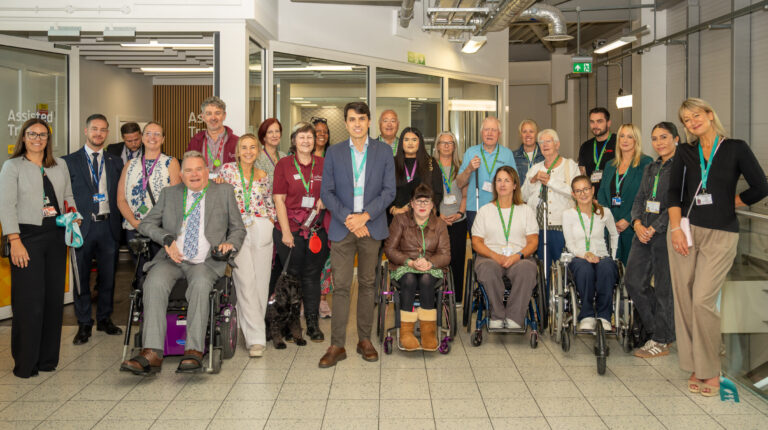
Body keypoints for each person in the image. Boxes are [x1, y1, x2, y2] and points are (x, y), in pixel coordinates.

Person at [667, 98, 768, 397]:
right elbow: (673, 192)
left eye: (696, 115)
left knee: (702, 300)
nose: (692, 122)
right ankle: (696, 364)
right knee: (685, 301)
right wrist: (675, 230)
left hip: (722, 234)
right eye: (686, 119)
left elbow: (761, 185)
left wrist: (733, 202)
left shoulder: (736, 148)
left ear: (710, 115)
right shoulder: (685, 151)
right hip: (686, 232)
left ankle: (711, 368)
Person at [120, 151, 246, 374]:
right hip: (172, 259)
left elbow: (238, 228)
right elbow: (146, 224)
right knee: (153, 283)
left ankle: (194, 351)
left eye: (199, 169)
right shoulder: (170, 194)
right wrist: (166, 239)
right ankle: (152, 353)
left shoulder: (223, 192)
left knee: (199, 285)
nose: (194, 174)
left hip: (205, 262)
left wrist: (229, 244)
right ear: (181, 174)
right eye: (188, 170)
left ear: (207, 171)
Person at [318, 101, 396, 368]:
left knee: (366, 284)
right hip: (343, 226)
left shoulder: (384, 151)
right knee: (340, 286)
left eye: (362, 119)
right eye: (352, 119)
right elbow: (326, 192)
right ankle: (337, 344)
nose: (357, 124)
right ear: (346, 122)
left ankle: (365, 340)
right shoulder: (335, 153)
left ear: (369, 121)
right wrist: (350, 219)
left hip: (371, 226)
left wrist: (365, 216)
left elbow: (389, 191)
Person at [0, 118, 77, 378]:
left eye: (42, 135)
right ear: (23, 137)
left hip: (56, 236)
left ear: (48, 139)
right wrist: (15, 241)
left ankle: (47, 360)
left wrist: (73, 214)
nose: (37, 139)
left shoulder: (60, 165)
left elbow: (67, 197)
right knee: (29, 303)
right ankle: (26, 364)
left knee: (53, 301)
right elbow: (6, 206)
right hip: (26, 237)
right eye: (32, 134)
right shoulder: (12, 167)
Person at [63, 113, 124, 345]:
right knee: (82, 279)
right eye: (94, 129)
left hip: (108, 227)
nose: (98, 133)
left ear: (107, 133)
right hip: (82, 228)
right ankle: (84, 323)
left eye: (103, 130)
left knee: (108, 278)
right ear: (86, 131)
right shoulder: (68, 161)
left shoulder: (114, 161)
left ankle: (105, 318)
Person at [218, 134, 275, 357]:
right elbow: (218, 198)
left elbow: (270, 202)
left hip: (261, 227)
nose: (249, 151)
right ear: (237, 151)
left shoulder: (263, 175)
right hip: (237, 229)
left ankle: (251, 328)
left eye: (253, 147)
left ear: (259, 151)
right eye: (244, 147)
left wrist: (270, 220)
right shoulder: (227, 171)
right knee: (245, 281)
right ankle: (256, 340)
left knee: (262, 282)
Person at [625, 122, 679, 358]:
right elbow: (639, 199)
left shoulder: (682, 168)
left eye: (664, 137)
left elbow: (678, 204)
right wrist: (637, 224)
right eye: (655, 138)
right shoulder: (652, 167)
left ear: (676, 139)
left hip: (666, 234)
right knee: (633, 282)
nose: (659, 143)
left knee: (664, 288)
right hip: (642, 233)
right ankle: (663, 332)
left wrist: (655, 228)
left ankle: (661, 339)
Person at [273, 122, 330, 343]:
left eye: (310, 137)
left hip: (316, 230)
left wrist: (326, 198)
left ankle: (313, 324)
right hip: (290, 230)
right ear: (294, 140)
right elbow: (278, 198)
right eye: (301, 137)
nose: (306, 141)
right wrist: (286, 232)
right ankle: (290, 324)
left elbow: (332, 190)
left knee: (312, 276)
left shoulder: (323, 164)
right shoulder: (284, 165)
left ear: (315, 141)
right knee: (292, 278)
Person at [383, 184, 450, 351]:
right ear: (411, 204)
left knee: (427, 279)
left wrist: (430, 263)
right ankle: (406, 332)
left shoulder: (440, 224)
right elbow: (390, 249)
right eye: (418, 201)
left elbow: (445, 255)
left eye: (426, 201)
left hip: (431, 267)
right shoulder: (400, 220)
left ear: (433, 205)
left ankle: (428, 332)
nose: (422, 205)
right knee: (410, 279)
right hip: (405, 266)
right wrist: (410, 262)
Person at [471, 166, 538, 329]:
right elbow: (476, 242)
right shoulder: (485, 211)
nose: (502, 184)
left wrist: (517, 256)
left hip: (519, 257)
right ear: (495, 185)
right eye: (499, 180)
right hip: (489, 257)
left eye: (507, 180)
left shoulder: (525, 210)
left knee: (527, 270)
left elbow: (533, 241)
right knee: (487, 269)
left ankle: (515, 317)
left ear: (515, 185)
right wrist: (496, 256)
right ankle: (497, 314)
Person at [117, 122, 181, 268]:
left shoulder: (171, 163)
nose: (152, 137)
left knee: (160, 272)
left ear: (163, 139)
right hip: (135, 229)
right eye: (148, 133)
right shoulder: (130, 165)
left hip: (160, 230)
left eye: (157, 134)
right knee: (140, 272)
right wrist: (135, 223)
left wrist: (153, 227)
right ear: (142, 137)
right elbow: (121, 199)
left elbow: (175, 201)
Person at [521, 129, 579, 283]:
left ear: (557, 144)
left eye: (549, 141)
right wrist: (532, 181)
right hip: (538, 227)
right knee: (541, 269)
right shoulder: (535, 167)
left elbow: (576, 193)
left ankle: (562, 303)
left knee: (563, 268)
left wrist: (551, 182)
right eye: (541, 142)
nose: (545, 145)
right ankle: (544, 304)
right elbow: (523, 196)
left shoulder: (569, 165)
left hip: (560, 227)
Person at [562, 175, 619, 331]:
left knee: (607, 267)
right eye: (578, 191)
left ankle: (604, 316)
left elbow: (614, 234)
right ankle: (586, 314)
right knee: (584, 269)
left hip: (602, 256)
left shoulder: (604, 212)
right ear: (573, 194)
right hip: (579, 257)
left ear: (593, 190)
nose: (583, 193)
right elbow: (570, 243)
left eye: (586, 189)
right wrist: (584, 254)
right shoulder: (568, 214)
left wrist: (612, 256)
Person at [597, 124, 653, 265]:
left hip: (633, 225)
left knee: (633, 270)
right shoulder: (610, 165)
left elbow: (647, 195)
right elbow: (602, 193)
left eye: (630, 136)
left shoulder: (645, 163)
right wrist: (609, 219)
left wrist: (629, 219)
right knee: (610, 268)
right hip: (610, 225)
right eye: (622, 136)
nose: (625, 140)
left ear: (636, 140)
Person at [456, 116, 516, 231]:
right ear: (481, 133)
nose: (490, 133)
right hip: (475, 207)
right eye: (486, 129)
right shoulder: (471, 152)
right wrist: (469, 169)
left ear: (499, 133)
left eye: (494, 130)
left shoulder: (507, 154)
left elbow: (515, 183)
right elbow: (459, 183)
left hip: (501, 207)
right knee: (477, 246)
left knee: (499, 244)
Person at [433, 131, 468, 304]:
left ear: (455, 146)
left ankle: (457, 298)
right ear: (437, 146)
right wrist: (438, 216)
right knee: (437, 259)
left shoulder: (461, 167)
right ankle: (437, 296)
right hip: (437, 222)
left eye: (450, 142)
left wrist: (460, 213)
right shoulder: (431, 167)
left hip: (458, 221)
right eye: (443, 142)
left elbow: (466, 195)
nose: (446, 145)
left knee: (457, 259)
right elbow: (428, 196)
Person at [388, 127, 443, 223]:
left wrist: (427, 209)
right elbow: (385, 190)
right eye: (406, 140)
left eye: (414, 140)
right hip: (397, 218)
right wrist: (393, 209)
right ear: (401, 143)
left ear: (420, 143)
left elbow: (438, 192)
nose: (410, 143)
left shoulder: (430, 163)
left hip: (424, 219)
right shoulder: (392, 163)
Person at [310, 116, 332, 318]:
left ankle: (323, 300)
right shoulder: (300, 157)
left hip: (328, 215)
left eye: (324, 131)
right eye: (317, 132)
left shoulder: (332, 156)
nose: (321, 135)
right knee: (307, 260)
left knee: (326, 259)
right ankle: (306, 300)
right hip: (304, 216)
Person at [187, 96, 238, 177]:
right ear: (203, 117)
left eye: (217, 113)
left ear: (224, 116)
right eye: (209, 113)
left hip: (227, 187)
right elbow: (188, 167)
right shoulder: (195, 141)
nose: (213, 118)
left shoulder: (237, 142)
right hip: (202, 186)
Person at [578, 107, 617, 193]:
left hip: (614, 194)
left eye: (599, 121)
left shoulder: (619, 143)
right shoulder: (585, 146)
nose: (595, 126)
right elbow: (582, 175)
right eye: (592, 122)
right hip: (592, 196)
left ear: (608, 123)